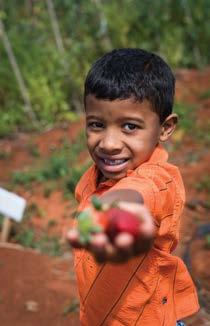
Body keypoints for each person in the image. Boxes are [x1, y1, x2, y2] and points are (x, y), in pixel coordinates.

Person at [67, 48, 199, 325]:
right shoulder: (92, 178)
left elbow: (140, 192)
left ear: (165, 127)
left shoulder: (160, 179)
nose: (109, 143)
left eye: (129, 126)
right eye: (97, 124)